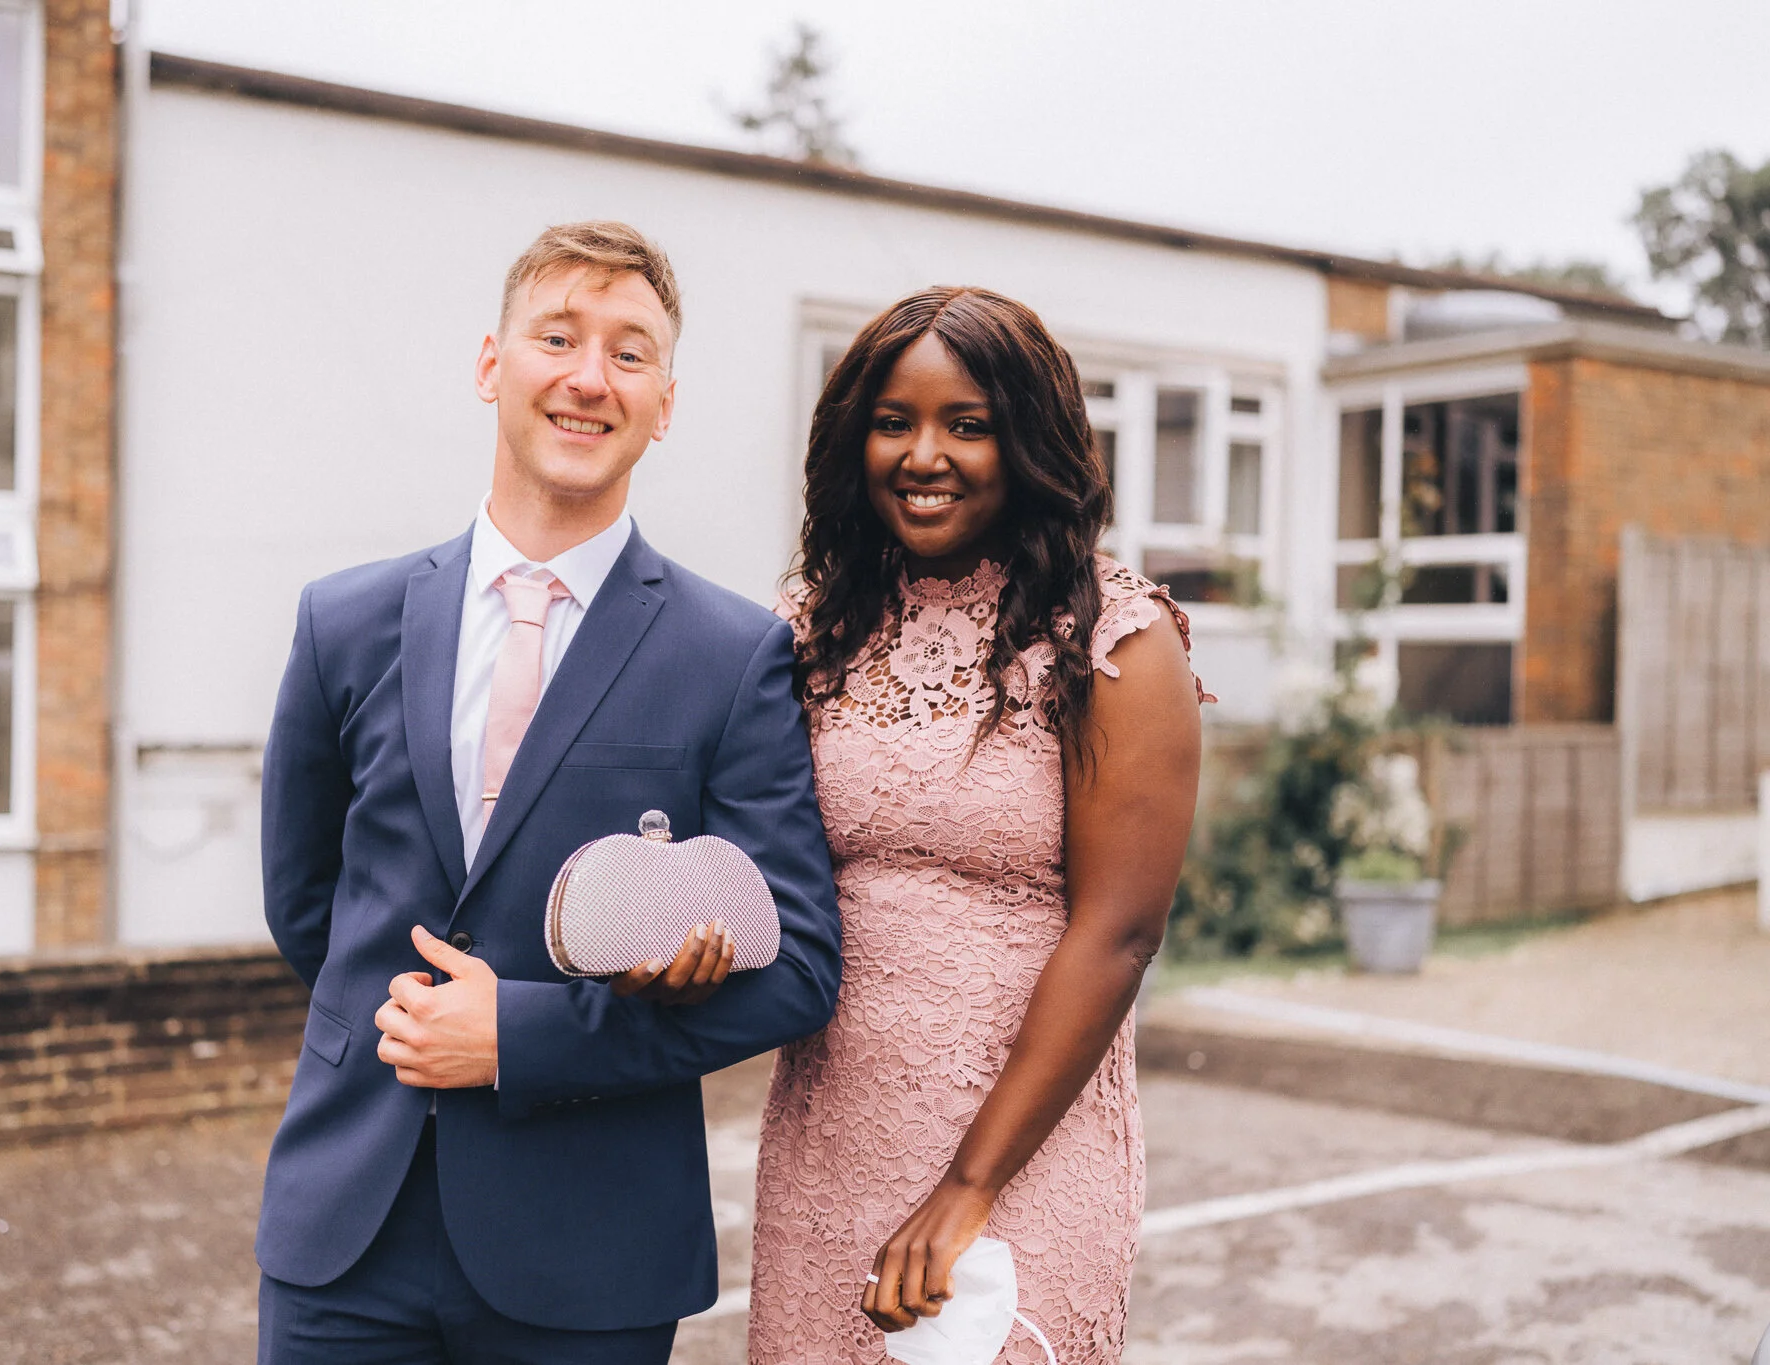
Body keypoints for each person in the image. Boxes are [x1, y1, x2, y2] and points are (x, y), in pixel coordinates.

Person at [254, 220, 841, 1364]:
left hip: (590, 1246)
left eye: (629, 352)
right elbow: (308, 906)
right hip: (344, 1228)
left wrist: (518, 1037)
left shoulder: (733, 657)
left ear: (664, 403)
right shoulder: (344, 622)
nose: (588, 377)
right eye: (557, 337)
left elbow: (798, 967)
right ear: (491, 364)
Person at [748, 286, 1210, 1363]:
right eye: (893, 422)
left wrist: (968, 1183)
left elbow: (1120, 932)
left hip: (1021, 1157)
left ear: (1030, 440)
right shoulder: (811, 629)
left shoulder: (1115, 638)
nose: (925, 456)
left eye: (968, 424)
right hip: (828, 1144)